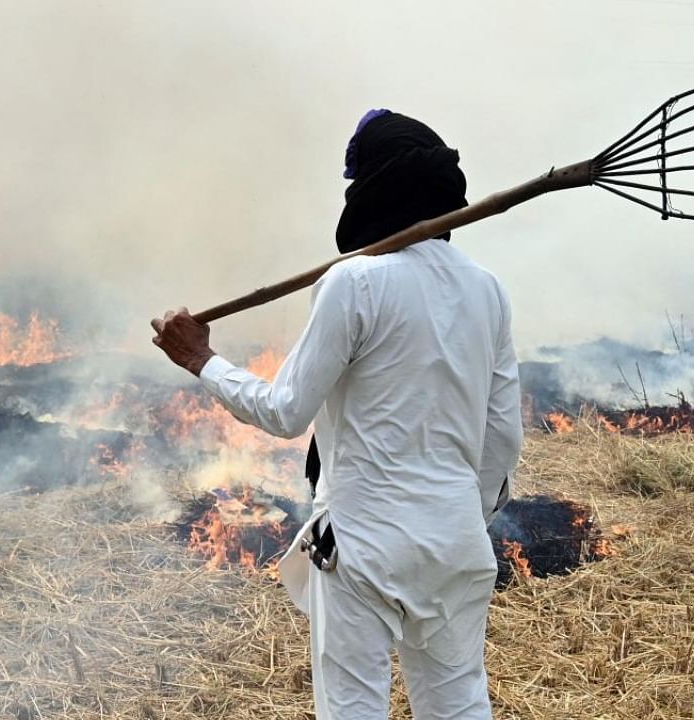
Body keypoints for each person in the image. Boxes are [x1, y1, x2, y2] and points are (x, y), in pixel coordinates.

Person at [150, 110, 522, 720]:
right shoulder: (489, 290)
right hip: (456, 543)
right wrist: (458, 513)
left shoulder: (354, 282)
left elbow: (284, 411)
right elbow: (502, 439)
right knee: (458, 707)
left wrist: (201, 359)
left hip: (363, 547)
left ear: (370, 191)